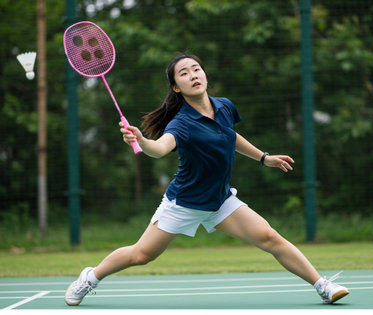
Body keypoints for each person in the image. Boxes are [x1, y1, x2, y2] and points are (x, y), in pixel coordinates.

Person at [64, 54, 349, 306]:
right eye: (184, 73)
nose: (193, 75)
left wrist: (264, 157)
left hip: (220, 200)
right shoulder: (181, 123)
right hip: (184, 203)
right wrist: (141, 140)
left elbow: (229, 136)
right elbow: (160, 149)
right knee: (141, 255)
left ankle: (322, 286)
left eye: (196, 69)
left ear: (205, 74)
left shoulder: (224, 106)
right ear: (176, 87)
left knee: (270, 237)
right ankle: (90, 277)